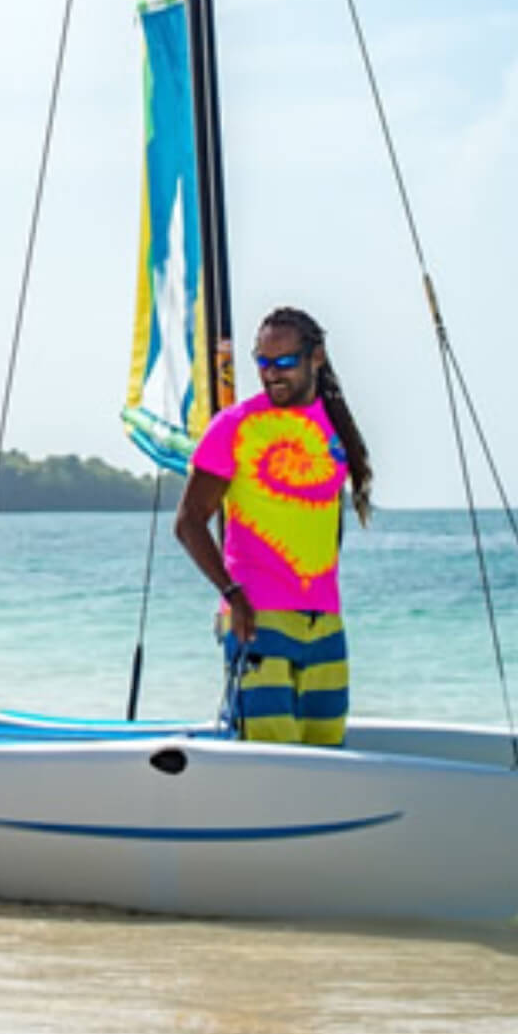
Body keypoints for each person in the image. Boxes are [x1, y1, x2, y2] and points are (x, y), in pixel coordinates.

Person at [171, 307, 374, 747]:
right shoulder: (235, 426)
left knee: (327, 750)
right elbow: (188, 523)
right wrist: (231, 594)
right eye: (262, 362)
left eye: (283, 362)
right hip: (257, 618)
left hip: (325, 622)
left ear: (316, 357)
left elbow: (327, 524)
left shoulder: (335, 428)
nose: (270, 373)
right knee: (270, 758)